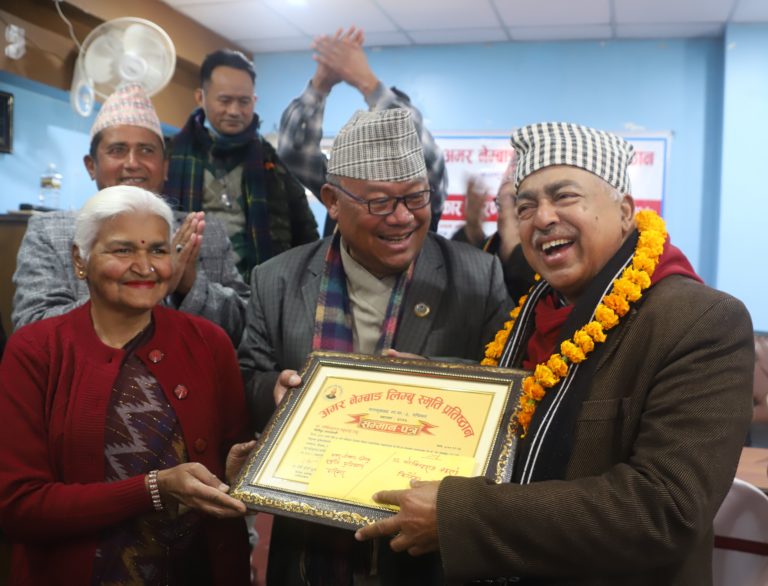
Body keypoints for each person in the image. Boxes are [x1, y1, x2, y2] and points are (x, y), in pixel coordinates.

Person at [355, 122, 754, 585]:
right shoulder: (536, 309)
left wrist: (455, 516)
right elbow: (534, 391)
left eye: (564, 196)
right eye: (525, 206)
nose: (542, 218)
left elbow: (665, 509)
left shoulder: (701, 321)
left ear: (626, 211)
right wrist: (437, 381)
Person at [238, 107, 512, 585]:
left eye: (416, 197)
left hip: (429, 554)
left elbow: (507, 387)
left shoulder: (476, 276)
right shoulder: (276, 280)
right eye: (381, 202)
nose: (403, 218)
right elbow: (247, 377)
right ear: (332, 200)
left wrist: (436, 377)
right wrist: (274, 393)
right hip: (308, 549)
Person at [0, 185, 255, 585]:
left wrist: (241, 474)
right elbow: (18, 506)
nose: (145, 266)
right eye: (122, 250)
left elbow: (225, 467)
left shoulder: (209, 342)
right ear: (79, 260)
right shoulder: (36, 351)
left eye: (159, 250)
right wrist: (154, 489)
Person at [12, 83, 250, 345]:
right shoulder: (50, 232)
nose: (133, 163)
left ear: (165, 167)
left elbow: (246, 329)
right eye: (117, 150)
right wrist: (145, 292)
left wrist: (190, 286)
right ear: (91, 166)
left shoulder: (204, 233)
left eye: (146, 150)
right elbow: (33, 327)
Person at [165, 49, 319, 281]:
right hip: (187, 288)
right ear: (200, 98)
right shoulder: (170, 157)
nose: (234, 111)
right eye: (225, 100)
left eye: (244, 102)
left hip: (262, 290)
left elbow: (306, 237)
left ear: (254, 101)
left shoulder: (271, 162)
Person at [278, 26, 448, 235]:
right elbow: (294, 153)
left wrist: (368, 83)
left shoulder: (425, 183)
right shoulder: (347, 180)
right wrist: (319, 87)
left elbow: (423, 148)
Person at [452, 165, 536, 300]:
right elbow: (456, 276)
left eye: (514, 201)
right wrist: (472, 231)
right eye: (500, 202)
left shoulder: (548, 246)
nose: (506, 211)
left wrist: (514, 251)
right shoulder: (492, 245)